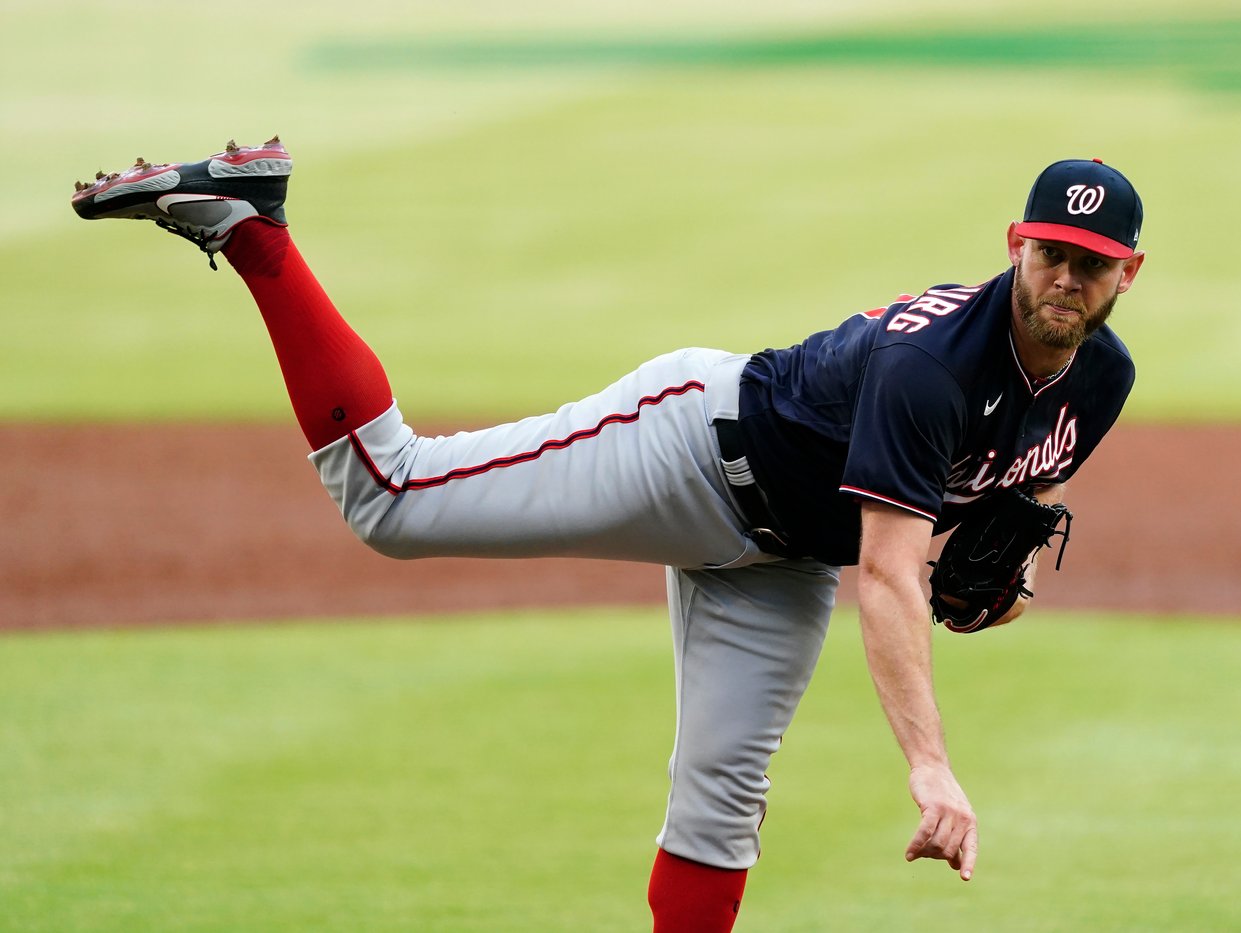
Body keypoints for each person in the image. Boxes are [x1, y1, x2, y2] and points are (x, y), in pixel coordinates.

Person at [72, 143, 1145, 932]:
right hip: (692, 450)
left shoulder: (1101, 379)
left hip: (780, 563)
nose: (1066, 278)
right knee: (391, 498)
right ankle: (253, 229)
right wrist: (931, 769)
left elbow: (1002, 505)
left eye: (1090, 264)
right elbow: (891, 574)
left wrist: (1000, 581)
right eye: (1050, 252)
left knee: (720, 806)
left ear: (1126, 274)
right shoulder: (931, 367)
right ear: (1015, 245)